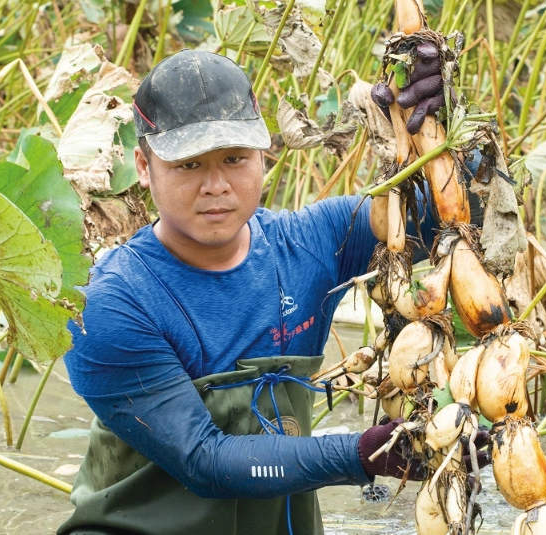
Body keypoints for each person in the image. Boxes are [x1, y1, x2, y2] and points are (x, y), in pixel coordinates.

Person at [58, 49, 484, 535]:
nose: (216, 185)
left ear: (263, 155)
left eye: (235, 158)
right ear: (142, 165)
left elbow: (464, 210)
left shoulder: (311, 243)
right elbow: (205, 462)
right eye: (189, 164)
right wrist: (364, 453)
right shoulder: (109, 304)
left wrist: (437, 116)